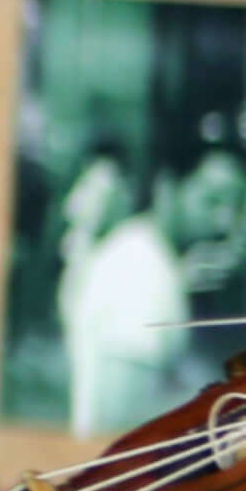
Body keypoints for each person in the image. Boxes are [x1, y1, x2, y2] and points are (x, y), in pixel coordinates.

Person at [52, 148, 193, 438]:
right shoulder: (97, 255)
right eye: (92, 187)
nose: (97, 197)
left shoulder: (133, 256)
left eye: (110, 188)